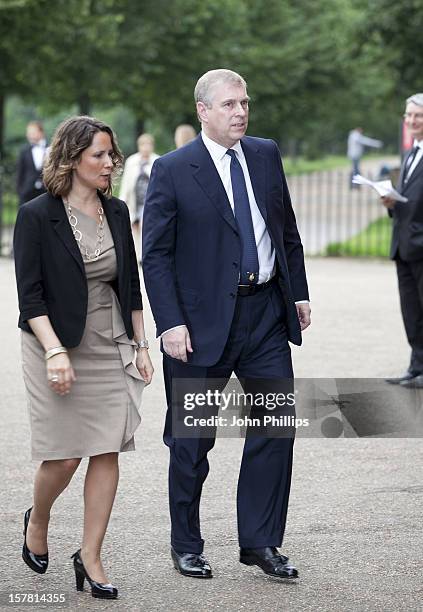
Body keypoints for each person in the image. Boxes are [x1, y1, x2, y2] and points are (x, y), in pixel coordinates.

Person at [143, 69, 310, 580]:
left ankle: (260, 542)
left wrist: (297, 291)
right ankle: (186, 544)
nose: (241, 112)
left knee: (275, 430)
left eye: (245, 103)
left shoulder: (265, 154)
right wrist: (169, 323)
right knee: (192, 441)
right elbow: (156, 256)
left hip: (264, 315)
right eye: (230, 104)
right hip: (198, 325)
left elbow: (287, 229)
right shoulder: (173, 169)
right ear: (203, 111)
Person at [13, 116, 153, 599]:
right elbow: (29, 298)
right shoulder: (36, 215)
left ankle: (91, 555)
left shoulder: (115, 211)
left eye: (112, 154)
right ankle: (41, 516)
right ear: (72, 159)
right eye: (100, 155)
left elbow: (129, 283)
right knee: (66, 454)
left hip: (108, 335)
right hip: (52, 339)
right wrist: (54, 351)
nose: (110, 163)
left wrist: (141, 344)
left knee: (107, 446)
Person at [382, 93, 423, 388]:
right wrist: (391, 204)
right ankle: (417, 366)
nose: (411, 121)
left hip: (421, 246)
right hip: (404, 245)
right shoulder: (411, 154)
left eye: (417, 116)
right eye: (408, 115)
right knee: (412, 311)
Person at [119, 133, 159, 259]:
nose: (145, 148)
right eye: (143, 145)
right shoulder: (132, 161)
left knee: (146, 228)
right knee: (134, 228)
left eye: (148, 145)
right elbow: (126, 183)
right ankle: (137, 257)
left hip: (149, 201)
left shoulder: (157, 161)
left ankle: (145, 256)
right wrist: (122, 202)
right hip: (134, 201)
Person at [16, 121, 48, 206]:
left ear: (41, 133)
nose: (29, 135)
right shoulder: (24, 151)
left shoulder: (51, 149)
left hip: (46, 191)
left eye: (33, 132)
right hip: (27, 192)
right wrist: (20, 191)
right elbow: (20, 172)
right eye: (28, 133)